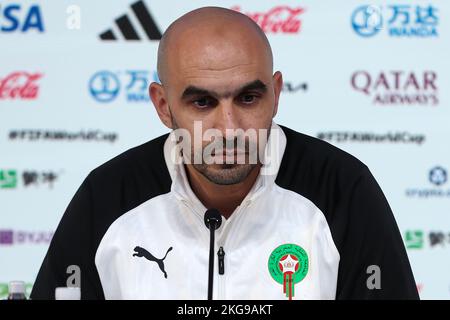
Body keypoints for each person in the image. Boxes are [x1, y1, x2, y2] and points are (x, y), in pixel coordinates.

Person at [31, 7, 419, 300]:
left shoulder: (342, 189)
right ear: (163, 106)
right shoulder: (108, 195)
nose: (229, 128)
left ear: (277, 94)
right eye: (202, 102)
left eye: (249, 98)